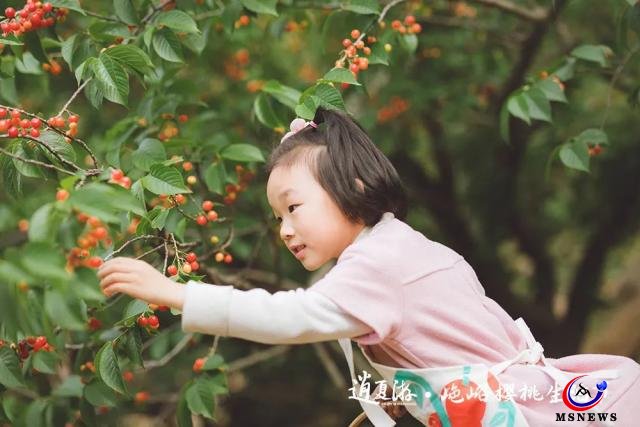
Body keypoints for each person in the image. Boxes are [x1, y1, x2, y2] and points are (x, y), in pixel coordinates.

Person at [97, 107, 639, 426]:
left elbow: (289, 317)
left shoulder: (375, 266)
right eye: (277, 217)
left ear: (352, 187)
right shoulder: (404, 248)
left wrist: (179, 294)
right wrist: (406, 395)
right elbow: (457, 342)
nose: (284, 228)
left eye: (293, 207)